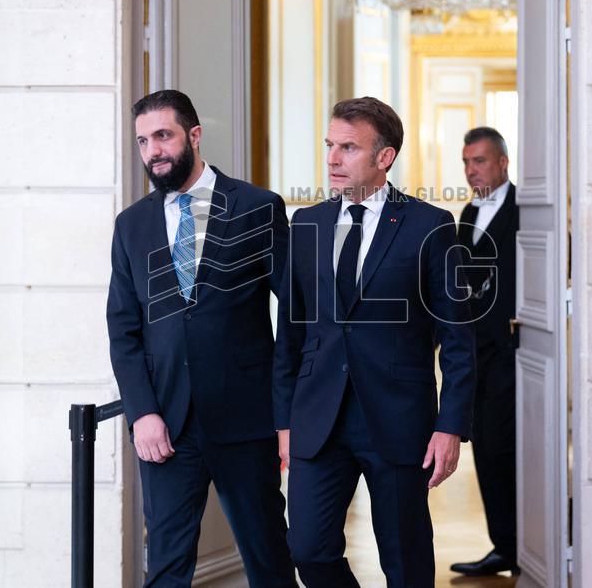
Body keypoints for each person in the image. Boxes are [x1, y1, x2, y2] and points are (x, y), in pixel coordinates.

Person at [273, 96, 476, 587]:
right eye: (329, 146)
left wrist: (450, 427)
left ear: (384, 157)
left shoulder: (429, 226)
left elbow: (457, 338)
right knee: (308, 549)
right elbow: (291, 337)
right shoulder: (308, 225)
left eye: (348, 148)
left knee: (405, 563)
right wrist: (283, 421)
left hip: (398, 420)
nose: (332, 159)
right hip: (318, 419)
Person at [107, 89, 297, 587]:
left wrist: (288, 416)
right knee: (167, 567)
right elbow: (124, 330)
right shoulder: (131, 226)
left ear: (193, 135)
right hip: (166, 427)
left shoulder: (258, 207)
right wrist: (143, 413)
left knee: (268, 558)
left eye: (163, 135)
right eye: (144, 141)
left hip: (246, 421)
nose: (154, 151)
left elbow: (297, 317)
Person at [450, 126, 521, 578]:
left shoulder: (528, 210)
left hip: (515, 355)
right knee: (488, 456)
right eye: (466, 163)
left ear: (502, 163)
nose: (472, 170)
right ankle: (504, 546)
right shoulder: (468, 212)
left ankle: (524, 546)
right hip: (475, 358)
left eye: (479, 161)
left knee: (509, 454)